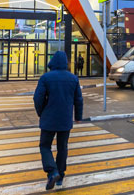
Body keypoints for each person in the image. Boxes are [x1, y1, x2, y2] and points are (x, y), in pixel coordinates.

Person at [33, 51, 84, 190]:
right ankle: (60, 176)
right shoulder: (73, 78)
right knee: (62, 147)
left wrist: (41, 113)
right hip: (65, 120)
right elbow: (78, 100)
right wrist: (78, 117)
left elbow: (37, 98)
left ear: (53, 62)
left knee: (45, 146)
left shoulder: (45, 78)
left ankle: (52, 172)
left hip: (49, 119)